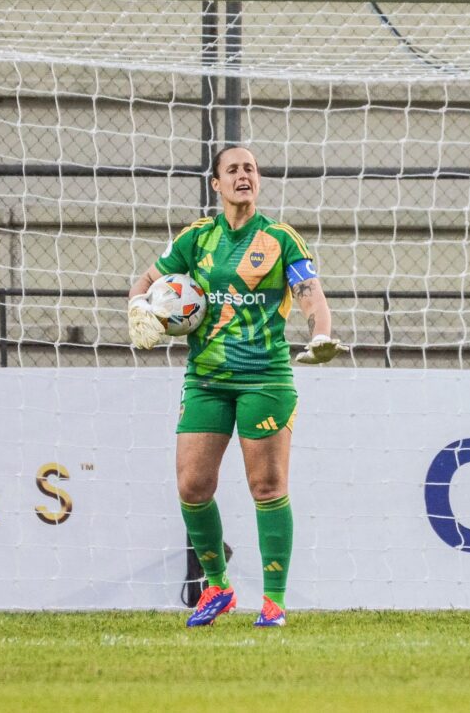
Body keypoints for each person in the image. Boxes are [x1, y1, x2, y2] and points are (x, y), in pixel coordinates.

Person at [127, 145, 347, 628]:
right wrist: (140, 310)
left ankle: (273, 602)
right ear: (217, 184)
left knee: (266, 487)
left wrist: (323, 335)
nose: (243, 175)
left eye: (250, 168)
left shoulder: (280, 239)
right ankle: (219, 587)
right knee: (192, 484)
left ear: (258, 181)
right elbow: (144, 281)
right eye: (233, 169)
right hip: (206, 379)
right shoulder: (196, 238)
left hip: (265, 378)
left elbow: (312, 298)